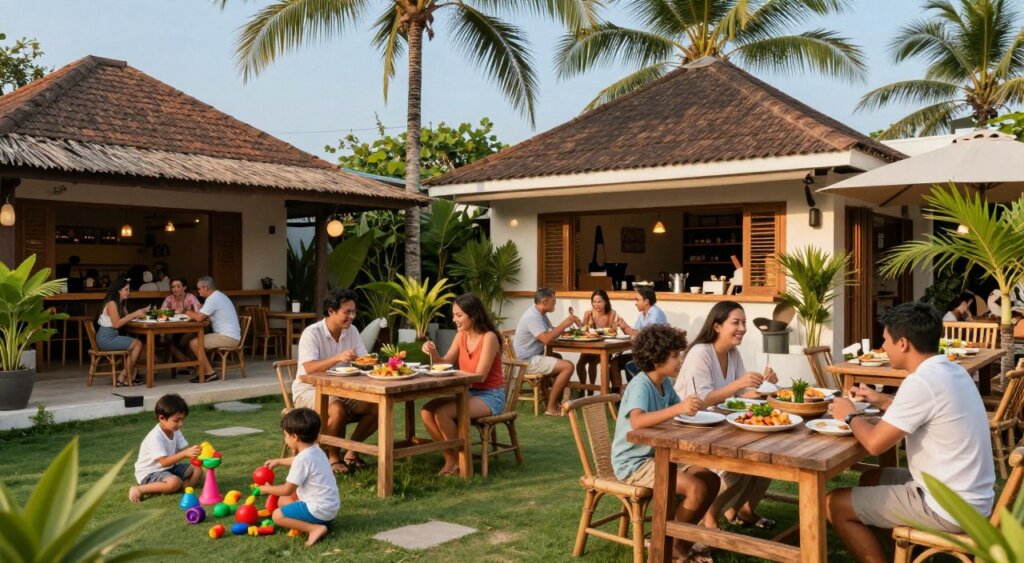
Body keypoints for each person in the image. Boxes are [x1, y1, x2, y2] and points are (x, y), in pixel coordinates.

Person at [826, 302, 994, 563]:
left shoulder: (921, 382)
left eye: (885, 342)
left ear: (903, 343)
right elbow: (927, 413)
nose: (884, 348)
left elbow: (874, 444)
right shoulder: (952, 370)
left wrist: (848, 414)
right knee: (871, 478)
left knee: (834, 503)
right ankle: (898, 555)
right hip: (970, 496)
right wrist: (880, 400)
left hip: (948, 507)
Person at [611, 324, 719, 563]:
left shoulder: (665, 383)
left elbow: (679, 412)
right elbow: (638, 421)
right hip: (634, 463)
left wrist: (690, 406)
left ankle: (678, 546)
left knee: (711, 479)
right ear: (657, 358)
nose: (679, 360)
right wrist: (679, 408)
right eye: (675, 355)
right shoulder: (641, 385)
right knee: (696, 488)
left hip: (658, 456)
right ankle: (665, 549)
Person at [674, 301, 779, 529]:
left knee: (767, 453)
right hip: (689, 433)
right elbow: (698, 402)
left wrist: (764, 385)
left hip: (720, 429)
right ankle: (709, 516)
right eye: (736, 322)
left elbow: (742, 395)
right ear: (717, 326)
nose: (742, 327)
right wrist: (739, 385)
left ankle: (744, 511)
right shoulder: (700, 353)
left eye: (744, 323)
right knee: (740, 463)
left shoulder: (733, 353)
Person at [291, 288, 378, 474]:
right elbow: (309, 368)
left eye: (354, 311)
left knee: (377, 406)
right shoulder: (312, 333)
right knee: (337, 408)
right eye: (347, 312)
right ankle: (333, 458)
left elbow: (365, 359)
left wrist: (377, 363)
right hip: (308, 389)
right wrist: (337, 357)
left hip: (342, 388)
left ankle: (352, 452)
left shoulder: (352, 331)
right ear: (331, 311)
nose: (352, 316)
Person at [421, 294, 505, 476]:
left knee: (443, 413)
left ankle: (462, 460)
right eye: (454, 315)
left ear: (473, 315)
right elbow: (444, 363)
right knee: (427, 411)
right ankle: (451, 459)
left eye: (459, 315)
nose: (454, 319)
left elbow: (481, 376)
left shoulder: (489, 337)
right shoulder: (461, 336)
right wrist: (433, 352)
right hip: (468, 393)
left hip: (491, 396)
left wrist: (454, 375)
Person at [260, 408, 339, 548]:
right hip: (330, 508)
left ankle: (314, 528)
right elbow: (297, 460)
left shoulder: (303, 459)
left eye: (285, 435)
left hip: (318, 509)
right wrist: (279, 461)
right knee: (283, 501)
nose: (285, 438)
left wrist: (265, 488)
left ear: (295, 437)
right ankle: (314, 523)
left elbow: (286, 489)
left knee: (277, 516)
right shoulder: (316, 450)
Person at [513, 288, 582, 416]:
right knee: (568, 366)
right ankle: (551, 407)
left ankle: (557, 400)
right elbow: (546, 339)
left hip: (533, 357)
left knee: (557, 356)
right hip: (526, 362)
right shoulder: (532, 316)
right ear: (545, 301)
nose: (555, 304)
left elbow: (551, 332)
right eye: (554, 301)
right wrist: (563, 325)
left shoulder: (540, 315)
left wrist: (571, 327)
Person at [129, 394, 202, 503]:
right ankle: (139, 488)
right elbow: (164, 462)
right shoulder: (155, 436)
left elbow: (185, 449)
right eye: (176, 420)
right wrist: (186, 453)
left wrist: (198, 451)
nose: (181, 424)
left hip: (169, 469)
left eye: (183, 420)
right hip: (150, 473)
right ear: (162, 418)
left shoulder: (175, 431)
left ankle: (186, 488)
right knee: (174, 483)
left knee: (198, 468)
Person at [184, 276, 241, 383]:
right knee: (193, 339)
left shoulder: (213, 298)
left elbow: (199, 318)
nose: (198, 291)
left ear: (205, 287)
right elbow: (204, 313)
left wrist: (188, 312)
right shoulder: (218, 296)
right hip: (229, 335)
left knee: (194, 343)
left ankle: (210, 373)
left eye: (199, 288)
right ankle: (201, 370)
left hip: (227, 337)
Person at [96, 277, 148, 386]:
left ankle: (129, 376)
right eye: (126, 289)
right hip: (106, 339)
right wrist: (133, 314)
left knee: (138, 344)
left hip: (111, 337)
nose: (128, 292)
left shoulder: (119, 304)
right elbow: (116, 324)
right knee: (137, 344)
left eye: (129, 290)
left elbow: (125, 319)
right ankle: (124, 376)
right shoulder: (112, 304)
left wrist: (138, 313)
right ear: (118, 290)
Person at [577, 289, 621, 392]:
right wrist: (582, 325)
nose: (596, 305)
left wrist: (612, 328)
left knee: (592, 363)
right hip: (590, 344)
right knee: (580, 364)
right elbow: (583, 331)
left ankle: (591, 389)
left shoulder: (611, 313)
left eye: (599, 302)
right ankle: (583, 388)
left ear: (605, 301)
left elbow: (612, 331)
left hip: (604, 346)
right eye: (594, 302)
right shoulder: (588, 313)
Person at [162, 277, 202, 374]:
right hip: (174, 329)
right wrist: (169, 312)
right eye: (173, 287)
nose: (175, 289)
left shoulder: (191, 298)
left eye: (178, 286)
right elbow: (162, 312)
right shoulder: (169, 299)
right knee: (166, 339)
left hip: (190, 328)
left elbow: (199, 313)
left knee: (184, 340)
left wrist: (186, 311)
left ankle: (191, 364)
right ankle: (190, 364)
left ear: (184, 287)